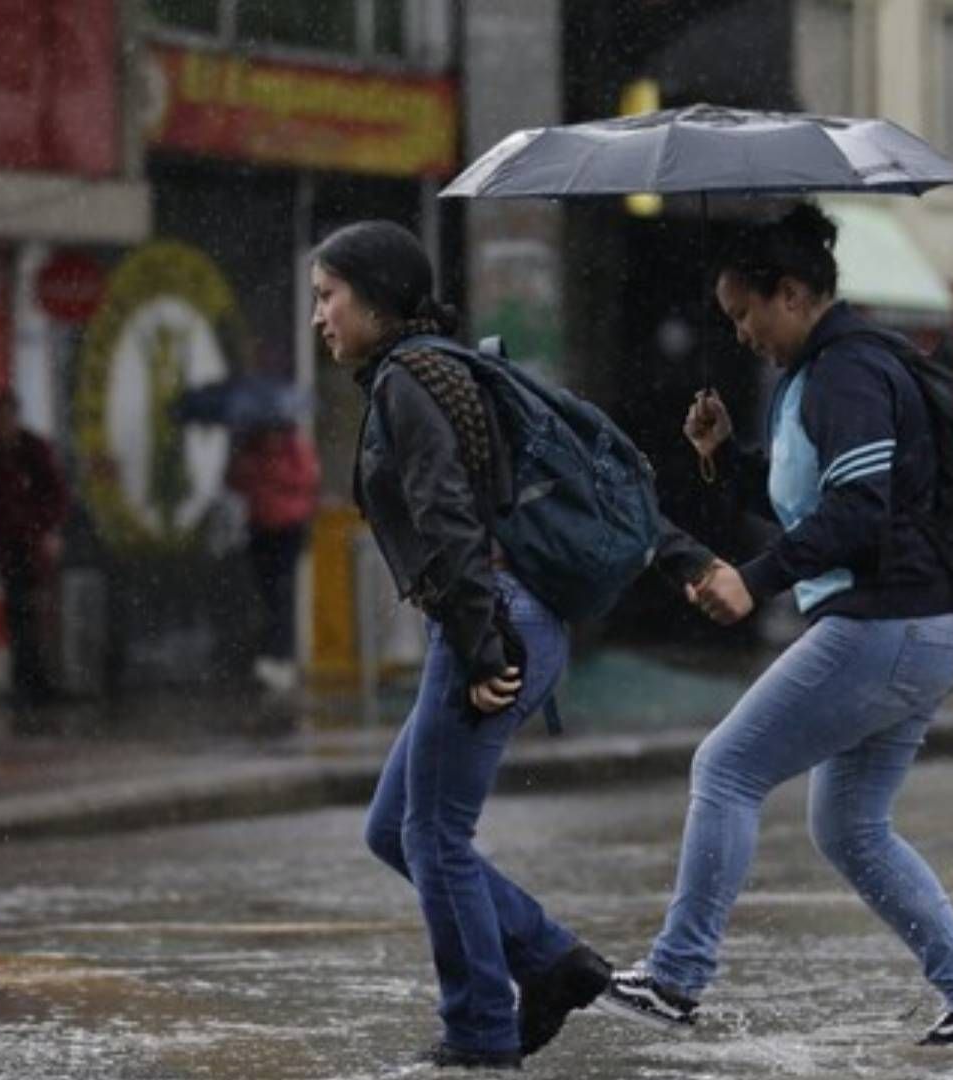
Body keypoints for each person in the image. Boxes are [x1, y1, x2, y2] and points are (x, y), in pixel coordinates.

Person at [596, 203, 953, 1050]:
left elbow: (861, 512)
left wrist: (751, 582)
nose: (742, 331)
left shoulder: (848, 374)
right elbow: (816, 502)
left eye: (745, 312)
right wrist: (725, 459)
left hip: (890, 623)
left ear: (791, 294)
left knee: (724, 768)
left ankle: (676, 980)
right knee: (848, 826)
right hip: (913, 627)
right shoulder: (819, 377)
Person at [320, 220, 707, 1070]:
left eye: (329, 296)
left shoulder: (408, 382)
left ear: (378, 299)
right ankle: (553, 960)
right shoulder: (433, 370)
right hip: (502, 616)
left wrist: (483, 645)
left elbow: (447, 514)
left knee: (434, 838)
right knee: (396, 829)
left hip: (494, 619)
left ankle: (479, 1033)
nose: (320, 316)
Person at [0, 389, 68, 709]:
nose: (4, 423)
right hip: (7, 542)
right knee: (17, 613)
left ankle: (35, 681)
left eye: (8, 416)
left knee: (29, 611)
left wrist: (48, 529)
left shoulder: (33, 449)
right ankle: (26, 681)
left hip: (32, 542)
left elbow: (56, 494)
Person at [225, 418, 319, 693]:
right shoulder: (250, 452)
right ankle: (268, 654)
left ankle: (281, 657)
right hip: (260, 529)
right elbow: (234, 481)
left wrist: (271, 473)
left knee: (282, 593)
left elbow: (306, 479)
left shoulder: (294, 449)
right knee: (265, 594)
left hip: (288, 529)